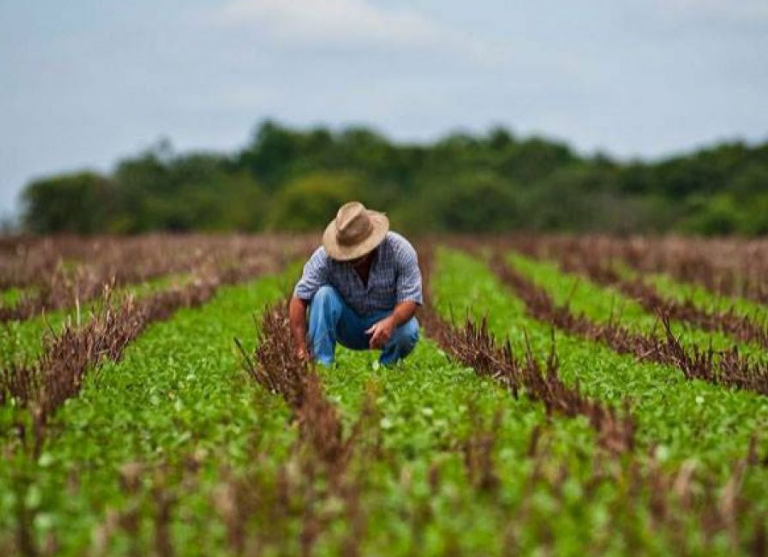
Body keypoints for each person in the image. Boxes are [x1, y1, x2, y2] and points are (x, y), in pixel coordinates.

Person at [289, 201, 422, 366]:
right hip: (347, 324)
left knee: (408, 331)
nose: (353, 258)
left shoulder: (400, 250)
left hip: (386, 321)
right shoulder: (324, 257)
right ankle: (322, 366)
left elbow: (411, 300)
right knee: (323, 295)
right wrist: (301, 348)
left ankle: (387, 369)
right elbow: (299, 299)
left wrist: (390, 322)